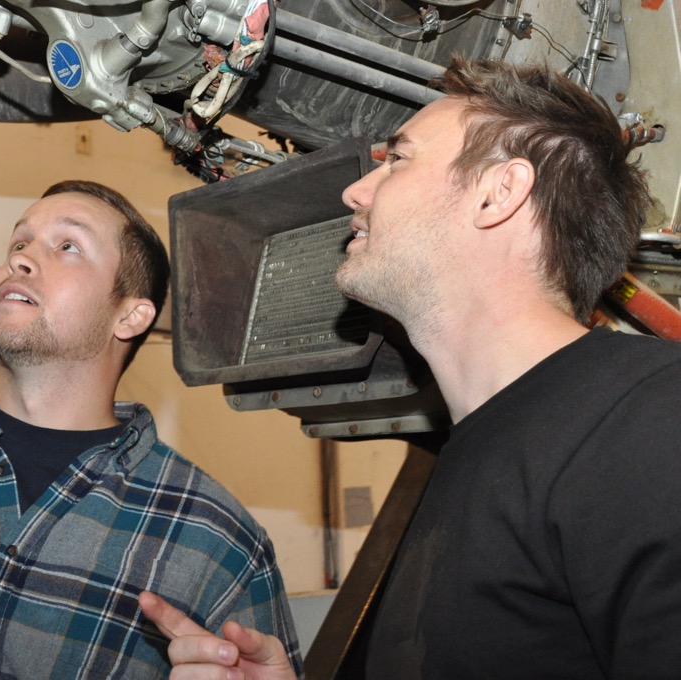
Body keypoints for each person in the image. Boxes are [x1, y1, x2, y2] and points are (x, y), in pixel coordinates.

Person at [141, 56, 681, 679]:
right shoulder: (469, 454)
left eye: (398, 159)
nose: (356, 191)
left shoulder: (653, 421)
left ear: (498, 192)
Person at [0, 179, 302, 680]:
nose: (20, 261)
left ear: (130, 315)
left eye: (67, 247)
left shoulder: (217, 539)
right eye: (19, 243)